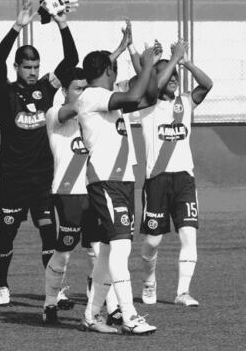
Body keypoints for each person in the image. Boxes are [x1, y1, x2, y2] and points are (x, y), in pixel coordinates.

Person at [42, 23, 133, 326]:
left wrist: (117, 51)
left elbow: (97, 87)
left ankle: (109, 308)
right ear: (65, 91)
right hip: (68, 192)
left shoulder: (94, 111)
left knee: (99, 250)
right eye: (77, 88)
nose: (83, 93)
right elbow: (78, 105)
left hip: (93, 187)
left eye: (85, 88)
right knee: (65, 251)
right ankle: (50, 303)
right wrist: (83, 97)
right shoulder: (57, 113)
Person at [0, 0, 78, 306]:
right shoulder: (6, 94)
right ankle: (2, 285)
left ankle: (54, 291)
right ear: (17, 68)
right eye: (26, 67)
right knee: (7, 233)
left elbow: (71, 61)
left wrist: (61, 23)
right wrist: (17, 27)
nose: (32, 71)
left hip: (42, 177)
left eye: (36, 67)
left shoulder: (46, 89)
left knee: (48, 234)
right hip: (13, 177)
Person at [76, 46, 159, 335]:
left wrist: (148, 67)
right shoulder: (92, 95)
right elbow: (136, 95)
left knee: (109, 250)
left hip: (121, 180)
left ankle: (90, 315)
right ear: (109, 71)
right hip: (106, 180)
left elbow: (148, 97)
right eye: (115, 67)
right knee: (121, 248)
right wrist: (146, 65)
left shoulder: (109, 100)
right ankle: (129, 316)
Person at [138, 40, 213, 307]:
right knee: (153, 240)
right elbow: (150, 87)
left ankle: (182, 292)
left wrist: (185, 62)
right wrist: (167, 62)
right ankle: (149, 281)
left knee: (188, 235)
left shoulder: (185, 102)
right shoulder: (146, 104)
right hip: (156, 179)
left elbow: (207, 85)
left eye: (175, 75)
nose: (173, 79)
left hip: (184, 180)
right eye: (167, 75)